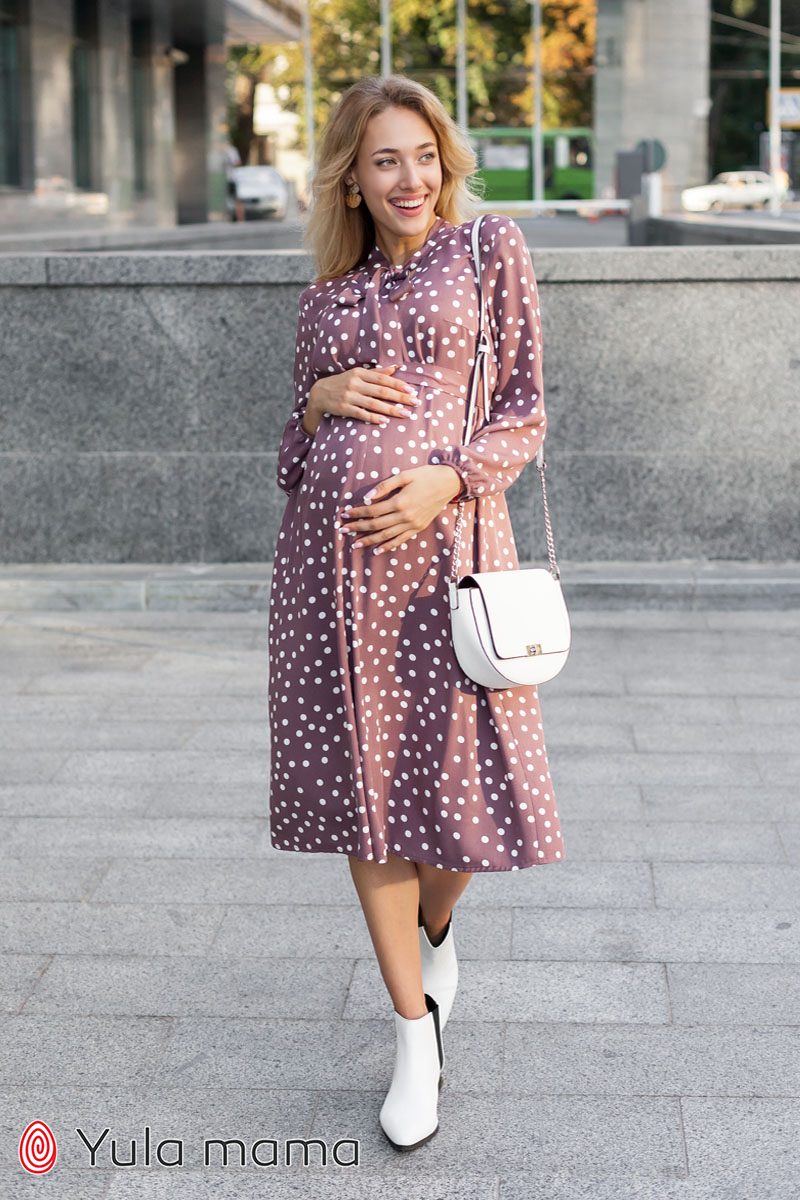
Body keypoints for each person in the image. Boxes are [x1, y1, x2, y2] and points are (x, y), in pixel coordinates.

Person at [267, 74, 564, 1152]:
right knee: (368, 796)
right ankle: (411, 1035)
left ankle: (435, 921)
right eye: (385, 159)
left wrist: (448, 478)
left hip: (452, 562)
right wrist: (315, 403)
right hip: (332, 579)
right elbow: (289, 461)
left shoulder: (487, 250)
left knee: (470, 788)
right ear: (350, 176)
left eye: (424, 156)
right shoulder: (325, 298)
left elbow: (523, 410)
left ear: (445, 162)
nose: (409, 178)